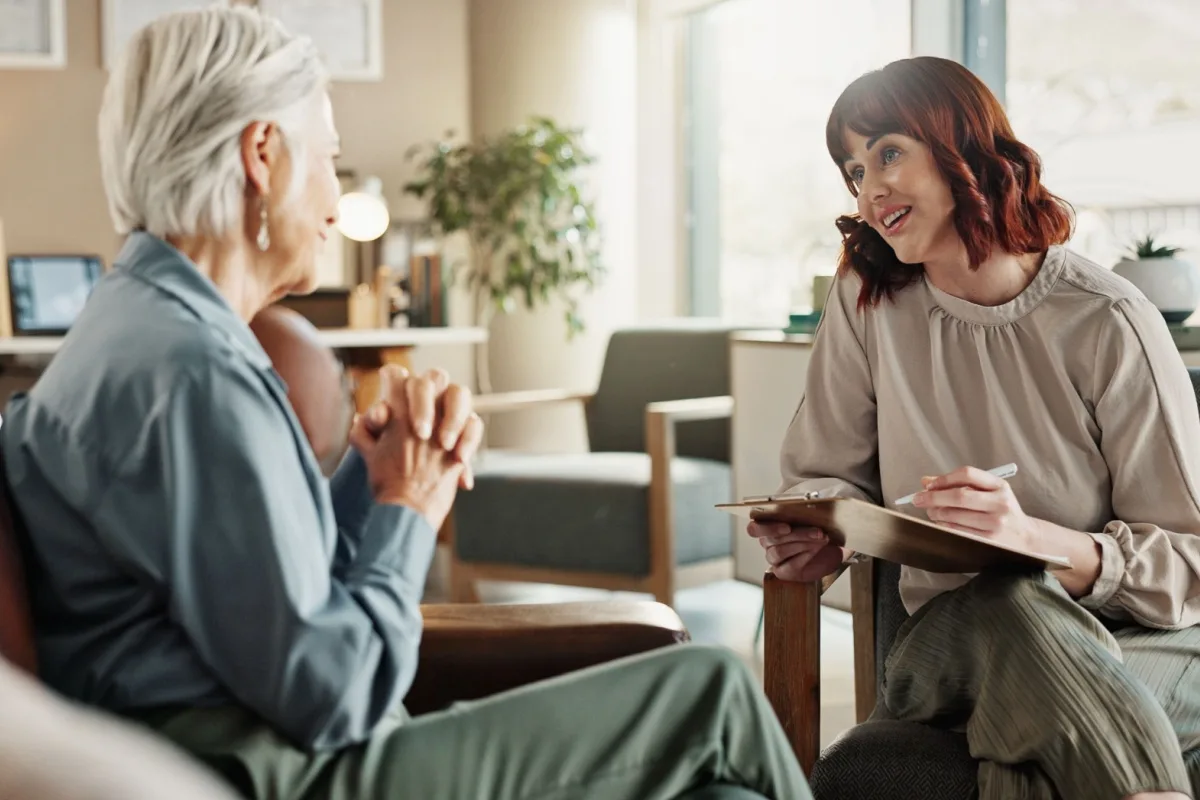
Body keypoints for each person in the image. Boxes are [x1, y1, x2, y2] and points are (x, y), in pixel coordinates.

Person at [0, 7, 809, 800]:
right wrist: (409, 504)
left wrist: (368, 474)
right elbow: (330, 691)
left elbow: (255, 586)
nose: (332, 197)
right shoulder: (192, 372)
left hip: (232, 738)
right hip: (269, 766)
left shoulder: (132, 328)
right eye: (329, 157)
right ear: (262, 154)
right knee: (711, 689)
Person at [749, 54, 1200, 800]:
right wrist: (815, 527)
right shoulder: (869, 303)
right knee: (1010, 601)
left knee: (1030, 735)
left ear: (963, 146)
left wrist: (1034, 543)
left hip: (1136, 636)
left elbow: (1188, 557)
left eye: (888, 151)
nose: (871, 189)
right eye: (854, 170)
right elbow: (822, 471)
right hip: (952, 640)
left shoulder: (1105, 319)